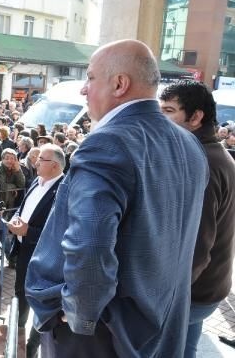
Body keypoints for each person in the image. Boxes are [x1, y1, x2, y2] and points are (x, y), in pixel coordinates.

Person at [25, 39, 209, 357]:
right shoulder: (190, 144)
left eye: (90, 77)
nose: (84, 89)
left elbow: (89, 246)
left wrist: (79, 315)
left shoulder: (106, 144)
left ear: (120, 83)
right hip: (160, 332)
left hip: (102, 339)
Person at [159, 80, 235, 358]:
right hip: (207, 287)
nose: (160, 118)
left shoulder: (200, 162)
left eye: (168, 110)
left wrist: (165, 300)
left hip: (192, 293)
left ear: (196, 117)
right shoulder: (213, 154)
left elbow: (197, 247)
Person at [8, 144, 65, 358]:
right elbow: (23, 208)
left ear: (55, 166)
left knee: (41, 302)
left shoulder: (62, 190)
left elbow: (58, 231)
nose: (36, 162)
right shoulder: (35, 181)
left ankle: (32, 346)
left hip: (45, 257)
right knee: (20, 292)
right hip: (24, 252)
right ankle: (17, 330)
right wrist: (16, 221)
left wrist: (28, 231)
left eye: (42, 159)